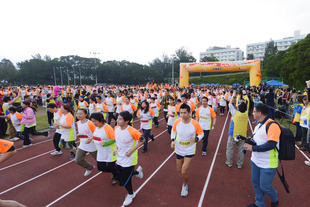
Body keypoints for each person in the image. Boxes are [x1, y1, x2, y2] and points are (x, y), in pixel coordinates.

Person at [244, 103, 280, 207]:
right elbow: (258, 140)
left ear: (259, 113)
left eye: (254, 111)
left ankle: (275, 199)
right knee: (256, 183)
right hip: (255, 161)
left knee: (265, 186)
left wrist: (253, 148)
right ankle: (260, 203)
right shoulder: (258, 125)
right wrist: (249, 141)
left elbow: (271, 144)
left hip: (267, 163)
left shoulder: (272, 125)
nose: (252, 113)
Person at [170, 104, 204, 197]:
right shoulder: (177, 122)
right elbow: (173, 132)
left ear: (189, 113)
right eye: (181, 113)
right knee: (179, 170)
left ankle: (184, 185)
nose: (182, 115)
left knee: (184, 171)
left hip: (190, 150)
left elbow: (201, 134)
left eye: (184, 113)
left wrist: (196, 139)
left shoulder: (195, 123)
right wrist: (172, 141)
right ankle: (184, 177)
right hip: (179, 149)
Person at [113, 111, 144, 206]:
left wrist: (131, 151)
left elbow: (142, 140)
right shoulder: (116, 128)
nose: (117, 120)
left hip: (129, 158)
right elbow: (118, 141)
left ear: (126, 121)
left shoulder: (132, 131)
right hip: (120, 157)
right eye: (118, 118)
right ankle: (137, 172)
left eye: (120, 119)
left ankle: (131, 194)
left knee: (125, 180)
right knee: (119, 175)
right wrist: (115, 148)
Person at [90, 112, 118, 185]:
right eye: (92, 121)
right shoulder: (96, 127)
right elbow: (97, 136)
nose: (93, 123)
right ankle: (118, 171)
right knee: (100, 167)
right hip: (100, 151)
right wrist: (93, 139)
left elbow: (114, 139)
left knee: (111, 166)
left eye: (95, 121)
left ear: (100, 120)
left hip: (109, 151)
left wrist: (105, 143)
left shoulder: (107, 128)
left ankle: (116, 176)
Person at [225, 91, 248, 169]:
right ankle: (240, 164)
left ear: (238, 107)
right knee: (241, 150)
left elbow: (230, 104)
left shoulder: (235, 113)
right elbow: (244, 106)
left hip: (233, 134)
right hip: (242, 135)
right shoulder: (246, 113)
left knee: (230, 148)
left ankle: (229, 162)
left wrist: (234, 96)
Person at [75, 108, 97, 176]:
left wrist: (90, 139)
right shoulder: (78, 123)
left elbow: (97, 133)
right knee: (78, 160)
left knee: (100, 161)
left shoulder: (89, 123)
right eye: (77, 113)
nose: (78, 115)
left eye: (81, 114)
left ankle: (113, 170)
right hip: (83, 144)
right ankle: (90, 167)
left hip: (92, 145)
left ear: (85, 114)